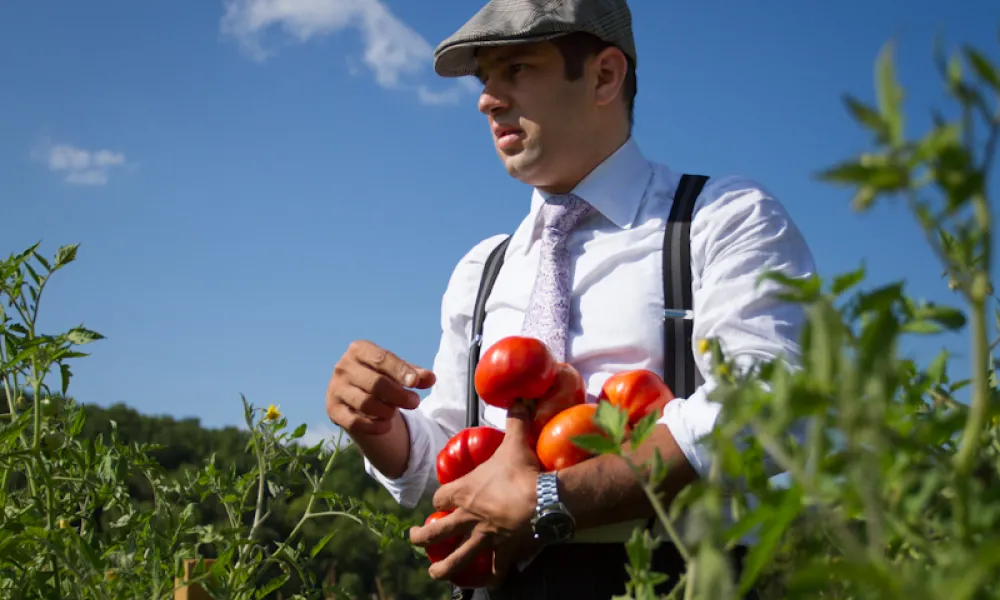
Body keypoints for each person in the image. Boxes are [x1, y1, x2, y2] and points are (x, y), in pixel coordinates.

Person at [325, 0, 816, 597]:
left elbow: (766, 407)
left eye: (518, 69)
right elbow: (448, 467)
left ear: (604, 76)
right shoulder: (482, 268)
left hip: (666, 580)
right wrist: (382, 428)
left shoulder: (722, 219)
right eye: (486, 78)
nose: (488, 99)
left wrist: (554, 499)